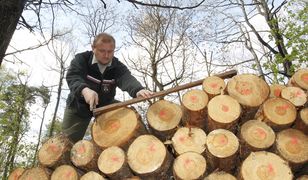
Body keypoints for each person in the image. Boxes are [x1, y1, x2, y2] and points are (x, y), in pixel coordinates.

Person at [62, 32, 153, 143]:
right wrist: (85, 91)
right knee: (67, 142)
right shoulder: (81, 59)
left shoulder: (117, 66)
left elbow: (126, 78)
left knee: (125, 114)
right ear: (93, 48)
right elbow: (73, 76)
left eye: (110, 52)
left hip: (105, 105)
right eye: (102, 51)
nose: (106, 55)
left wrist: (138, 90)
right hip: (78, 107)